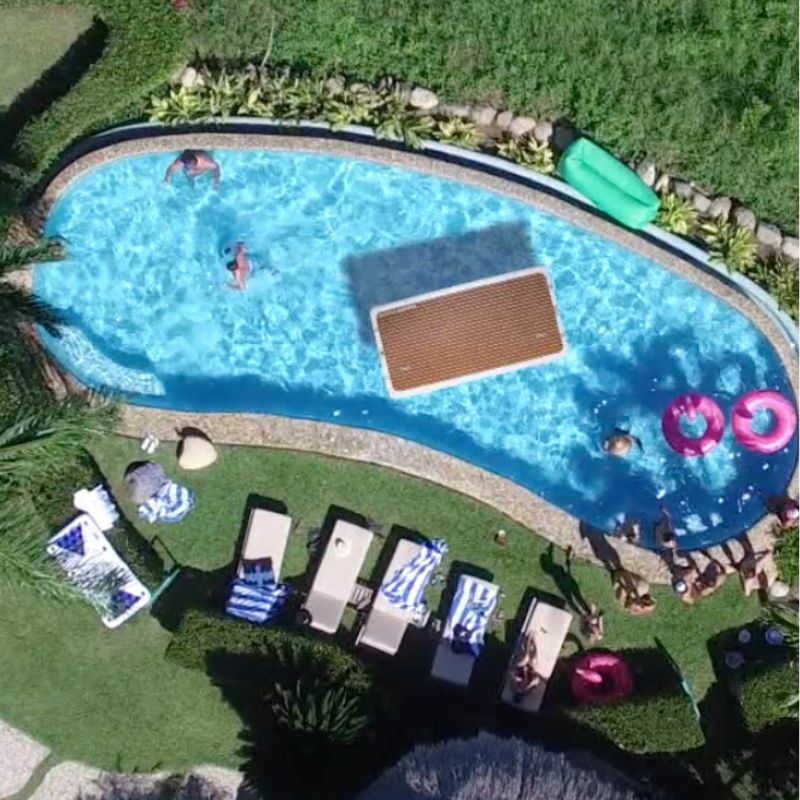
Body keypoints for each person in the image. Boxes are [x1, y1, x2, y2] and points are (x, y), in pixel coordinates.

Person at [509, 633, 541, 702]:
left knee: (526, 657)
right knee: (534, 659)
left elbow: (511, 672)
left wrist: (516, 677)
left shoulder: (513, 687)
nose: (520, 689)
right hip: (530, 669)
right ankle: (534, 640)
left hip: (520, 667)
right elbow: (537, 679)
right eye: (521, 693)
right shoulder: (527, 690)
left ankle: (530, 638)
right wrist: (530, 684)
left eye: (518, 692)